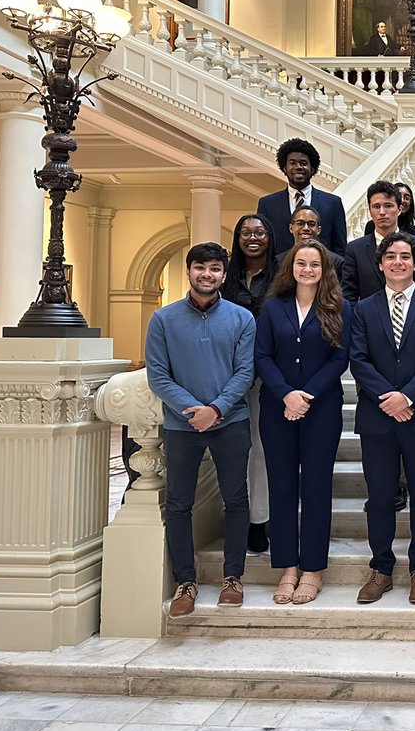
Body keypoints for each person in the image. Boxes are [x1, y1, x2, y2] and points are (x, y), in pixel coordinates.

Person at [145, 242, 256, 618]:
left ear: (224, 275)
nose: (206, 275)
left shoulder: (242, 318)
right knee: (179, 503)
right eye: (199, 268)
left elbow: (245, 372)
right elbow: (158, 375)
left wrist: (217, 409)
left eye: (214, 269)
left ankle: (232, 577)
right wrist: (193, 410)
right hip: (182, 425)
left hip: (230, 422)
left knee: (236, 499)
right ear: (188, 271)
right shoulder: (163, 319)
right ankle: (185, 582)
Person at [349, 233, 415, 605]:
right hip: (377, 418)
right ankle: (382, 569)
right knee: (379, 497)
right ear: (380, 263)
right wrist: (388, 398)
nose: (398, 262)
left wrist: (407, 396)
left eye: (405, 256)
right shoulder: (364, 308)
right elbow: (358, 359)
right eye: (391, 256)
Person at [254, 240, 351, 605]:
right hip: (277, 409)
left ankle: (312, 569)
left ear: (324, 269)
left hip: (321, 410)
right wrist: (286, 395)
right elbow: (262, 355)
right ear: (291, 268)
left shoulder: (339, 306)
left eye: (314, 264)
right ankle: (287, 569)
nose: (307, 269)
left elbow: (340, 358)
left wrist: (305, 395)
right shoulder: (274, 307)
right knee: (281, 487)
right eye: (301, 263)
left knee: (315, 488)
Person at [222, 213, 279, 555]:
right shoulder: (225, 276)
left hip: (266, 372)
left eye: (260, 231)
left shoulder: (279, 276)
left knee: (259, 449)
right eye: (246, 232)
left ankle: (258, 521)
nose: (253, 237)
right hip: (227, 371)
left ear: (270, 237)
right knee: (231, 449)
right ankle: (233, 517)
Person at [342, 181, 415, 301]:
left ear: (399, 209)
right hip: (367, 318)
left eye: (388, 206)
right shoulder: (355, 249)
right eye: (376, 206)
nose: (382, 212)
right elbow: (349, 294)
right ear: (369, 210)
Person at [256, 138, 347, 254]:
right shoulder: (267, 204)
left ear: (312, 168)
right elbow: (263, 245)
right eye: (292, 163)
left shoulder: (333, 203)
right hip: (279, 270)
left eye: (303, 163)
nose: (298, 167)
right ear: (284, 168)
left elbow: (340, 248)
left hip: (322, 269)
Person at [277, 206, 345, 271]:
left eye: (311, 224)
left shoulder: (336, 262)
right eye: (300, 223)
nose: (305, 228)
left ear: (319, 230)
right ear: (291, 228)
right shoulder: (278, 262)